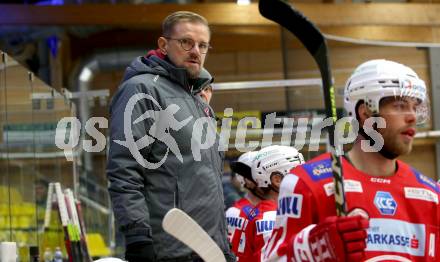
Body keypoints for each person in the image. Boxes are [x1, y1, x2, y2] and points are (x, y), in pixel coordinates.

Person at [263, 59, 440, 262]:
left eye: (415, 107)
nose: (412, 117)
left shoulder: (431, 195)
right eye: (399, 105)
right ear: (365, 113)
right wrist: (313, 249)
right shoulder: (307, 183)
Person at [107, 11, 233, 262]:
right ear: (164, 45)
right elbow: (124, 170)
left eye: (203, 45)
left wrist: (223, 247)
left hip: (209, 249)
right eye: (186, 42)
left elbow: (206, 179)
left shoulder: (198, 100)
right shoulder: (141, 89)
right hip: (168, 250)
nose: (195, 51)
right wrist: (137, 236)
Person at [236, 145, 304, 262]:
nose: (303, 177)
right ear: (277, 180)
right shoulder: (272, 217)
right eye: (297, 171)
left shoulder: (262, 212)